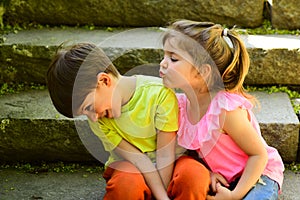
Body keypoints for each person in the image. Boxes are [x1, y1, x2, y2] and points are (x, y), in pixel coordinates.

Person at [46, 42, 210, 200]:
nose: (92, 118)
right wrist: (160, 196)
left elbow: (165, 153)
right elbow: (138, 159)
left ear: (104, 81)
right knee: (125, 184)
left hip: (171, 162)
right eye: (84, 114)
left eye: (88, 107)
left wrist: (163, 195)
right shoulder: (98, 119)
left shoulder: (160, 93)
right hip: (131, 166)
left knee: (194, 176)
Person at [159, 19, 284, 200]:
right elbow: (195, 148)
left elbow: (259, 155)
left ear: (202, 71)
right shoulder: (180, 106)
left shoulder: (224, 109)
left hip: (258, 174)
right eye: (163, 56)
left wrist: (234, 195)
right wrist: (208, 173)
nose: (163, 64)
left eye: (173, 59)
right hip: (225, 178)